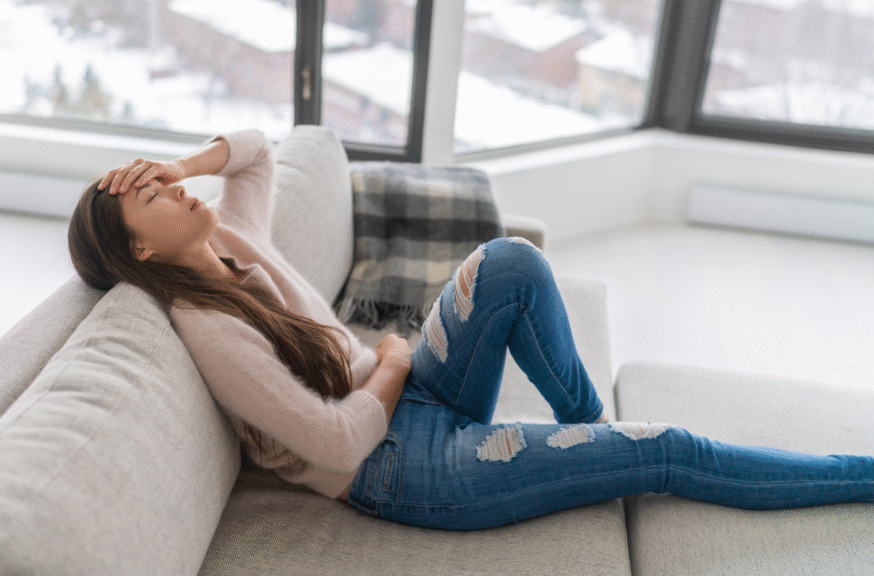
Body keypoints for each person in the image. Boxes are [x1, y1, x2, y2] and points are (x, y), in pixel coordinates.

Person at [68, 130, 873, 530]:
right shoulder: (209, 329)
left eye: (162, 180)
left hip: (414, 397)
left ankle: (588, 438)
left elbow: (254, 156)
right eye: (153, 197)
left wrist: (184, 164)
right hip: (402, 468)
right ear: (141, 248)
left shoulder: (232, 243)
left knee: (510, 262)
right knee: (669, 449)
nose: (171, 189)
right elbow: (338, 443)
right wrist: (387, 358)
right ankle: (856, 473)